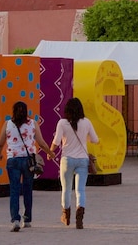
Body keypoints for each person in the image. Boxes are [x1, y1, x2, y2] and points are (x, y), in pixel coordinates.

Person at [0, 101, 54, 232]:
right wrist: (50, 153)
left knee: (14, 190)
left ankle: (15, 220)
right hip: (28, 161)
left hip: (13, 161)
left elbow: (0, 143)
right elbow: (41, 142)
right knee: (28, 189)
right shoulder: (32, 124)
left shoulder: (7, 124)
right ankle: (27, 219)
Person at [50, 97, 99, 230]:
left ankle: (66, 216)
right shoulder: (87, 122)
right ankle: (80, 216)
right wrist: (86, 136)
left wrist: (50, 152)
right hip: (83, 160)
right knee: (80, 190)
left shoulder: (62, 123)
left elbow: (56, 140)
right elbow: (95, 139)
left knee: (66, 190)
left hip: (67, 159)